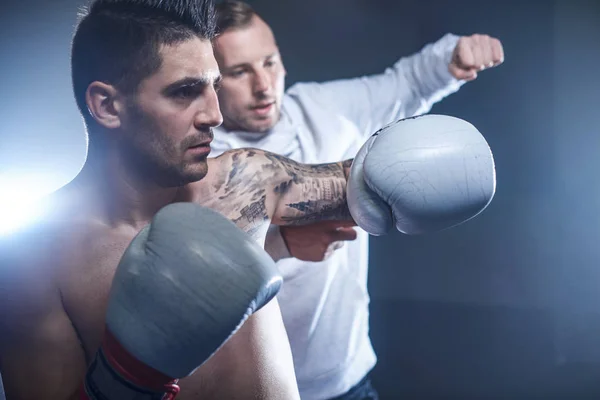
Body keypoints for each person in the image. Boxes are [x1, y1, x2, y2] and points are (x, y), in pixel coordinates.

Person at [0, 0, 495, 399]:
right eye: (185, 92)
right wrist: (130, 375)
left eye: (215, 86)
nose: (214, 115)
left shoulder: (245, 179)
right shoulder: (35, 261)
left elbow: (375, 178)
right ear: (107, 105)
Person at [211, 2, 505, 399]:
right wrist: (279, 245)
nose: (263, 85)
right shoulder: (202, 159)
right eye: (239, 72)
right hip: (252, 389)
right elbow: (195, 266)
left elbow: (407, 84)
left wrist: (452, 55)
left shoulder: (323, 109)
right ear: (211, 81)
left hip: (347, 380)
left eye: (269, 62)